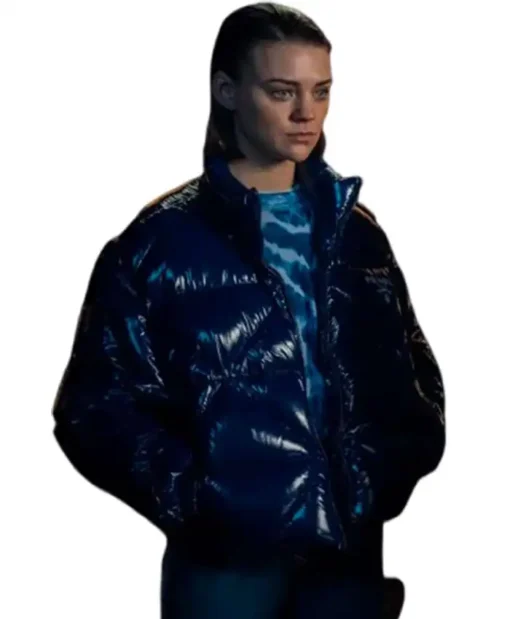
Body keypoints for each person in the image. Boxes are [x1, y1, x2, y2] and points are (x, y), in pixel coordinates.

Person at [51, 2, 446, 618]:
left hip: (348, 551)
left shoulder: (358, 234)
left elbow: (413, 367)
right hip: (226, 568)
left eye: (321, 91)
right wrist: (200, 500)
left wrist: (387, 470)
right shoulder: (158, 244)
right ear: (227, 91)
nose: (305, 112)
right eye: (282, 91)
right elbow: (93, 406)